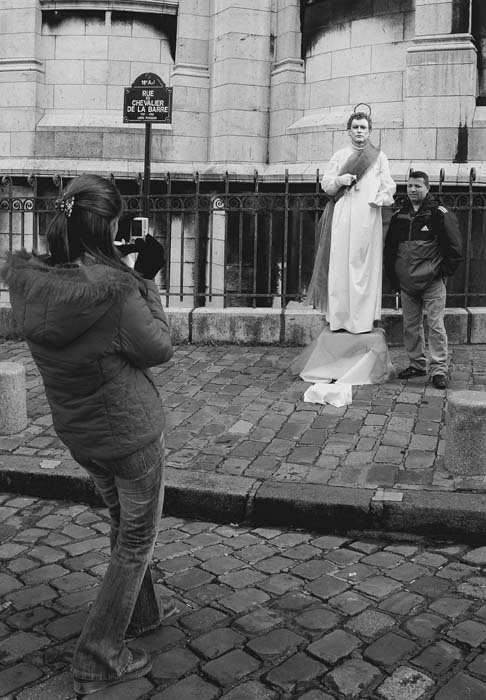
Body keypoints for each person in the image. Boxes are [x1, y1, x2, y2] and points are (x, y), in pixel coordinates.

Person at [0, 174, 174, 695]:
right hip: (130, 435)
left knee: (124, 524)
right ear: (107, 227)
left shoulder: (33, 285)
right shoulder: (113, 294)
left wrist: (122, 272)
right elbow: (159, 348)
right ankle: (99, 655)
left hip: (81, 435)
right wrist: (144, 279)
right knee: (136, 539)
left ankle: (140, 615)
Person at [306, 105, 396, 333]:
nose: (359, 131)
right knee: (340, 263)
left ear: (370, 131)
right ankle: (339, 319)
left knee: (364, 266)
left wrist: (380, 198)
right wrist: (339, 180)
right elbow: (327, 185)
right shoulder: (340, 156)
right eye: (355, 127)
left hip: (368, 216)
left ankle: (362, 320)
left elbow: (388, 186)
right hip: (344, 214)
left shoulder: (378, 157)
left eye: (363, 127)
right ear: (349, 131)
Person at [384, 170, 463, 389]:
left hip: (432, 283)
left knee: (436, 326)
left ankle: (439, 370)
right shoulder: (399, 215)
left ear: (427, 188)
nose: (412, 190)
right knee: (410, 326)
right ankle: (417, 364)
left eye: (417, 186)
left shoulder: (439, 214)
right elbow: (390, 250)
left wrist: (439, 273)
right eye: (410, 185)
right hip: (407, 284)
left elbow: (455, 248)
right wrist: (395, 278)